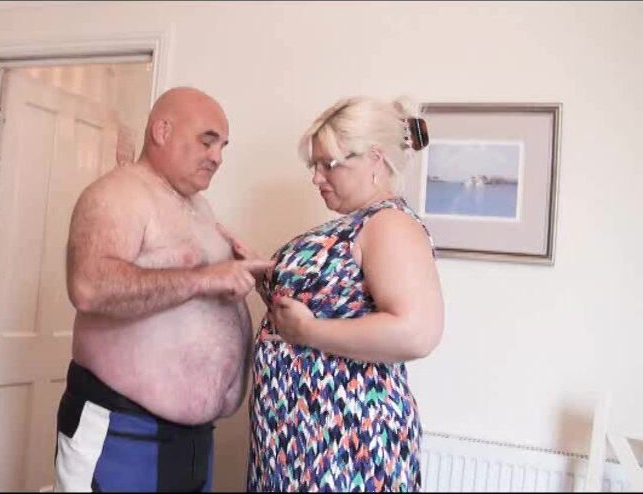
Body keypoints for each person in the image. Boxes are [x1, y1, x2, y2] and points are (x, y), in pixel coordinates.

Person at [56, 87, 270, 492]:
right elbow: (89, 287)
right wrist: (205, 279)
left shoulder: (197, 207)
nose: (217, 157)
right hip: (122, 431)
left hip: (191, 441)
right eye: (207, 141)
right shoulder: (118, 194)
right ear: (162, 131)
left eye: (222, 146)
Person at [238, 96, 445, 491]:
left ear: (375, 159)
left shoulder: (389, 225)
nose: (316, 178)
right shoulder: (358, 223)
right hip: (300, 438)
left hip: (345, 442)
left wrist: (308, 332)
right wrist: (270, 280)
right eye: (313, 166)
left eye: (327, 164)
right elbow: (333, 306)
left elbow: (417, 333)